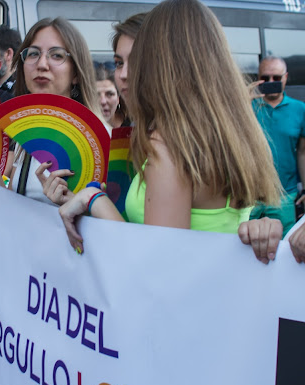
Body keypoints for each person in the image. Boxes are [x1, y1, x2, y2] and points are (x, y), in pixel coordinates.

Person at [58, 0, 281, 253]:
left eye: (143, 56)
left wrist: (95, 200)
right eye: (119, 62)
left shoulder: (170, 142)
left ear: (163, 62)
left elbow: (158, 265)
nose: (127, 73)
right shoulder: (226, 132)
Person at [0, 17, 105, 205]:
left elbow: (110, 224)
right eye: (32, 54)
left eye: (56, 55)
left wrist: (76, 206)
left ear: (75, 74)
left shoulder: (95, 139)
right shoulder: (28, 133)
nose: (41, 64)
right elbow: (17, 204)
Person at [249, 56, 305, 236]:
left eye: (276, 78)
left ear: (286, 77)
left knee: (281, 253)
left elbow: (303, 152)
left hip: (284, 197)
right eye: (265, 78)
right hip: (248, 197)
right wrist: (241, 102)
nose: (270, 82)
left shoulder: (299, 109)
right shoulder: (245, 107)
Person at [95, 63, 121, 128]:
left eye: (109, 94)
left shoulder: (133, 127)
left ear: (118, 98)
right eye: (96, 95)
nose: (103, 101)